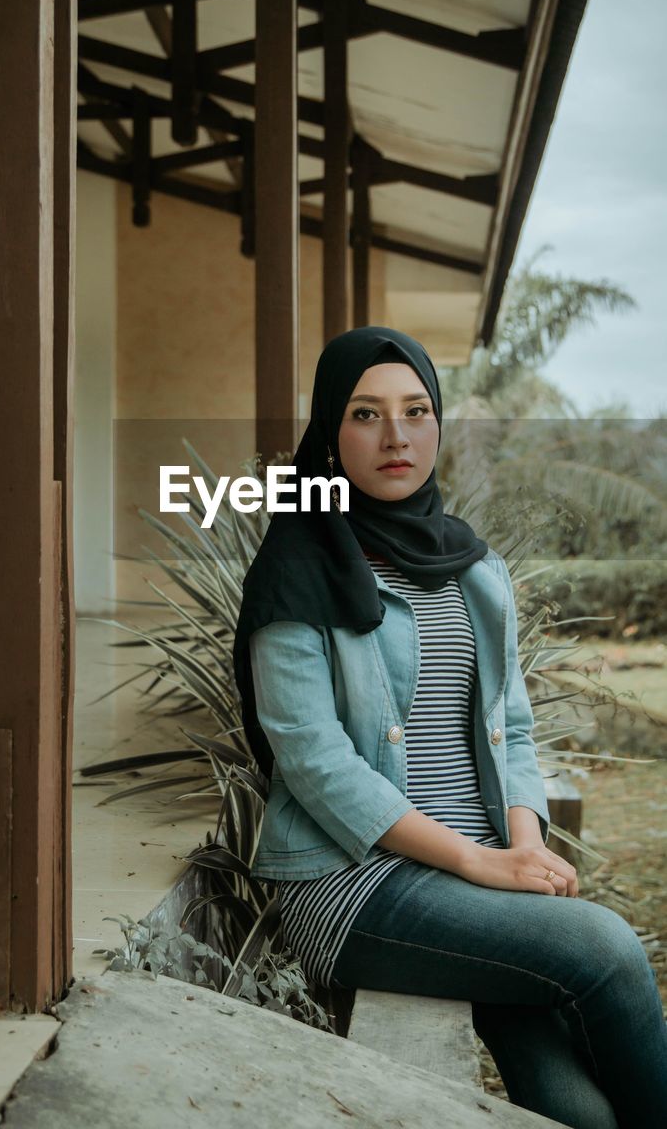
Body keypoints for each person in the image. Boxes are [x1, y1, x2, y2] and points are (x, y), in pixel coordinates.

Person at [232, 326, 667, 1129]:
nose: (395, 436)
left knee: (577, 1104)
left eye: (415, 409)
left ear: (437, 423)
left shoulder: (472, 564)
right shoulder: (297, 565)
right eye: (365, 413)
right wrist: (477, 861)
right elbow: (314, 761)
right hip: (357, 884)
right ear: (330, 432)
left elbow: (514, 724)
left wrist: (523, 842)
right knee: (604, 950)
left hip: (481, 871)